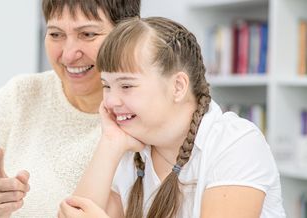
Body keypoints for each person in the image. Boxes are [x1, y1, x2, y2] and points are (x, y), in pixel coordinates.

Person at [58, 17, 286, 218]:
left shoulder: (235, 144)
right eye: (106, 86)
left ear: (178, 86)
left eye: (126, 85)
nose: (110, 102)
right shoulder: (131, 148)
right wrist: (109, 143)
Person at [0, 1, 141, 217]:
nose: (67, 55)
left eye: (87, 34)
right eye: (56, 34)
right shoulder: (25, 94)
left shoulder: (145, 118)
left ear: (129, 34)